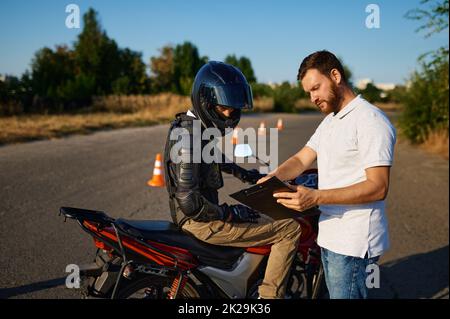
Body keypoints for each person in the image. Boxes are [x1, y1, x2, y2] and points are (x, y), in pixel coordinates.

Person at [257, 51, 396, 299]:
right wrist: (274, 177)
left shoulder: (370, 120)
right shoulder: (332, 121)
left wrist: (316, 197)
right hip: (330, 236)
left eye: (316, 88)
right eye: (308, 92)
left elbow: (378, 187)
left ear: (335, 75)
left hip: (355, 242)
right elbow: (301, 158)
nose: (312, 98)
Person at [163, 61, 302, 299]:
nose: (231, 114)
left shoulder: (195, 128)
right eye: (226, 108)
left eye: (234, 108)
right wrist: (229, 214)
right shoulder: (188, 138)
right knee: (289, 228)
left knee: (260, 212)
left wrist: (246, 174)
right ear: (206, 102)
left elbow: (213, 157)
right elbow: (190, 203)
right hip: (202, 222)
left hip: (204, 217)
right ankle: (269, 297)